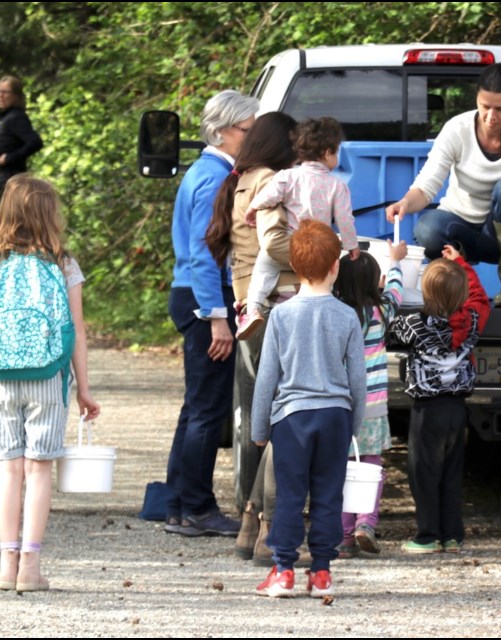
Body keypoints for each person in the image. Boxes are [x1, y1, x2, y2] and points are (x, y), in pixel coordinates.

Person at [0, 174, 101, 591]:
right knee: (39, 469)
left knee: (9, 470)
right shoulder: (64, 264)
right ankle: (31, 567)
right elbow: (77, 331)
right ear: (50, 215)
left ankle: (5, 565)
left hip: (3, 379)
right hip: (49, 378)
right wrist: (83, 388)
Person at [385, 62, 501, 307]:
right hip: (460, 227)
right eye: (485, 106)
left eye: (500, 109)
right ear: (476, 98)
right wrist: (404, 203)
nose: (490, 117)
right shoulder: (457, 129)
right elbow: (426, 185)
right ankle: (452, 292)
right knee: (426, 228)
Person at [251, 220, 366, 598]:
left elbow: (267, 377)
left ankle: (283, 570)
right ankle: (321, 572)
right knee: (329, 495)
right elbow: (357, 381)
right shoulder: (348, 316)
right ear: (336, 266)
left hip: (292, 418)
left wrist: (259, 429)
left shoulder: (281, 316)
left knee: (290, 494)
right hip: (335, 417)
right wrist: (355, 426)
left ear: (295, 269)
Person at [163, 90, 259, 538]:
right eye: (248, 130)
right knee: (208, 408)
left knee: (196, 407)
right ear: (223, 131)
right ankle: (198, 507)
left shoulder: (206, 172)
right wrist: (217, 315)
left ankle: (179, 503)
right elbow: (204, 253)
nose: (253, 136)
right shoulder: (215, 178)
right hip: (204, 299)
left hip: (195, 296)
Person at [205, 111, 299, 561]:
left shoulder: (240, 179)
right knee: (285, 419)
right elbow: (274, 244)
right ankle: (270, 530)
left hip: (248, 310)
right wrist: (324, 249)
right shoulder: (269, 181)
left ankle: (248, 521)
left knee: (255, 422)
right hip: (276, 308)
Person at [389, 244, 491, 553]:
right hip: (457, 410)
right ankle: (452, 535)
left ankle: (427, 536)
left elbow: (386, 323)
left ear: (426, 294)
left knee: (424, 472)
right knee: (450, 472)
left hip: (427, 410)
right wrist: (462, 263)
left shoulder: (416, 325)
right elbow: (480, 298)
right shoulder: (471, 323)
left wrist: (392, 277)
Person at [236, 116, 361, 339]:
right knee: (322, 281)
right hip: (319, 247)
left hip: (292, 244)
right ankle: (323, 315)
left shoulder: (287, 177)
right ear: (327, 153)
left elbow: (268, 196)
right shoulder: (337, 186)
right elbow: (345, 219)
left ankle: (253, 308)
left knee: (264, 268)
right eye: (337, 151)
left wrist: (252, 209)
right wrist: (352, 246)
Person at [332, 240, 407, 558]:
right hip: (373, 408)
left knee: (340, 471)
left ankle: (345, 538)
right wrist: (395, 261)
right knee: (370, 468)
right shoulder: (381, 311)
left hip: (340, 408)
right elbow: (396, 291)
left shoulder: (334, 315)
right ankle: (366, 524)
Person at [0, 75, 43, 213]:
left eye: (5, 92)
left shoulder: (16, 118)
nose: (0, 96)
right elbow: (4, 151)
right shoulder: (6, 119)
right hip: (1, 185)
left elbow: (35, 142)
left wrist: (10, 158)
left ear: (16, 96)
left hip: (10, 186)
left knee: (9, 231)